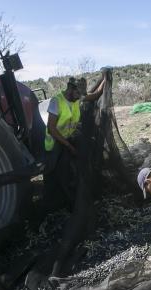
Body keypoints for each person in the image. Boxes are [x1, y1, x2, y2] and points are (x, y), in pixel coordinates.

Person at [43, 76, 105, 210]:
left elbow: (95, 95)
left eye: (80, 95)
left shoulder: (77, 97)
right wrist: (69, 146)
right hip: (54, 144)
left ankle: (72, 197)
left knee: (71, 169)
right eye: (77, 93)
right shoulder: (56, 101)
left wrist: (105, 77)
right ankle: (55, 201)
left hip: (67, 139)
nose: (79, 97)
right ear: (70, 88)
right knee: (54, 173)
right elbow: (51, 129)